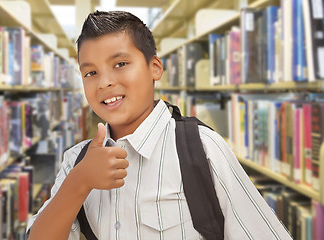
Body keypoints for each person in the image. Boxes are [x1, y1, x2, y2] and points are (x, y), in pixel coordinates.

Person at [26, 10, 292, 240]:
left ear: (155, 67)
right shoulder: (77, 161)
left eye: (120, 64)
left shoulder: (202, 148)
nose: (104, 82)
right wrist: (79, 182)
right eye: (90, 73)